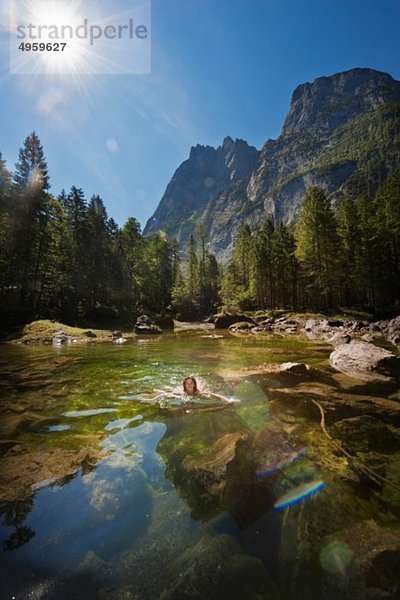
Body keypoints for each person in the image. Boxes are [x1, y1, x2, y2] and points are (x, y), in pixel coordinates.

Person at [145, 376, 239, 406]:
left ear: (194, 384)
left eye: (191, 383)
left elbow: (213, 394)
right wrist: (151, 400)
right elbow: (166, 394)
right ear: (184, 385)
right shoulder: (183, 393)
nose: (189, 385)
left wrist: (228, 400)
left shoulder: (198, 393)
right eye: (187, 383)